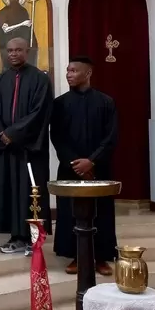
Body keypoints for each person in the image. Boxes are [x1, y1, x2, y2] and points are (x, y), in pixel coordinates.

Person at [51, 57, 118, 275]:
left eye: (74, 71)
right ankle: (75, 256)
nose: (69, 74)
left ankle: (101, 257)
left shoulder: (105, 102)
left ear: (88, 73)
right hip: (70, 169)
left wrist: (92, 161)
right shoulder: (60, 104)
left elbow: (111, 137)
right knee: (70, 212)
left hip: (99, 169)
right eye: (67, 70)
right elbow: (57, 137)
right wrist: (76, 163)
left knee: (101, 212)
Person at [0, 37, 53, 254]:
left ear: (28, 51)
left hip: (29, 150)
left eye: (18, 50)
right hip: (8, 150)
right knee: (10, 192)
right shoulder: (1, 79)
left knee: (31, 192)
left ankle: (34, 240)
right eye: (10, 50)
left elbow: (40, 112)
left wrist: (13, 133)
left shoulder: (40, 79)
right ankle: (16, 237)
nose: (13, 54)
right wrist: (2, 134)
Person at [0, 0, 38, 70]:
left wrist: (31, 44)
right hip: (8, 45)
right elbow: (1, 31)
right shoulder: (3, 12)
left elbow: (28, 31)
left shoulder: (23, 11)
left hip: (23, 46)